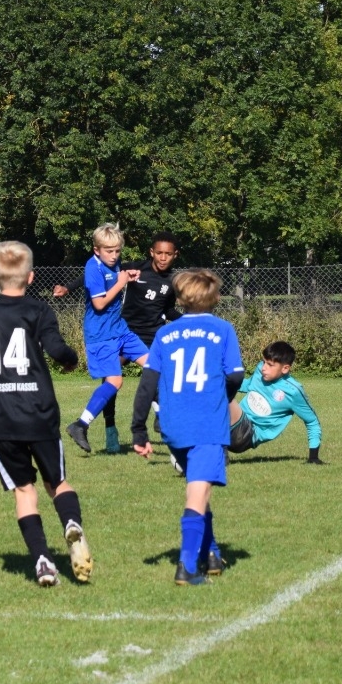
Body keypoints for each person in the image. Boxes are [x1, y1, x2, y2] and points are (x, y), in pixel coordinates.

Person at [0, 241, 90, 587]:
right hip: (39, 412)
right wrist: (70, 359)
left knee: (24, 491)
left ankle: (42, 560)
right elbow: (57, 348)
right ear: (31, 277)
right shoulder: (39, 311)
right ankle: (70, 523)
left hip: (1, 417)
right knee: (57, 483)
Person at [152, 269, 245, 585]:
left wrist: (139, 425)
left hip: (175, 425)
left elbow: (149, 380)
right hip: (206, 422)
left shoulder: (166, 333)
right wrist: (223, 399)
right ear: (215, 297)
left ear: (179, 299)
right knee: (196, 493)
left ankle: (212, 553)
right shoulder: (223, 329)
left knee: (198, 486)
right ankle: (187, 566)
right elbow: (234, 375)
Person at [65, 222, 148, 454]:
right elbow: (99, 303)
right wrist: (121, 283)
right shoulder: (93, 267)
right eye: (109, 251)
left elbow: (116, 279)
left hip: (120, 330)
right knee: (115, 382)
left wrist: (127, 276)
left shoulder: (114, 263)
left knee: (155, 365)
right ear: (96, 250)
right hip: (101, 335)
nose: (114, 256)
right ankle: (80, 425)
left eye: (117, 251)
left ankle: (163, 419)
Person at [123, 233, 181, 453]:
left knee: (162, 375)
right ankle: (110, 429)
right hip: (126, 333)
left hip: (153, 336)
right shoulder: (135, 269)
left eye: (168, 254)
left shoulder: (172, 281)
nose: (163, 257)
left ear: (175, 255)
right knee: (111, 377)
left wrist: (190, 319)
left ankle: (160, 416)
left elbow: (168, 311)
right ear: (151, 252)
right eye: (159, 253)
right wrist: (69, 288)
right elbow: (101, 271)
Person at [230, 340, 324, 463]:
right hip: (233, 424)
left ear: (285, 368)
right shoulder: (260, 370)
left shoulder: (293, 391)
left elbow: (312, 422)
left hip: (248, 435)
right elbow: (249, 386)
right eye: (264, 362)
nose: (264, 368)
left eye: (270, 364)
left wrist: (313, 457)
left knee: (225, 397)